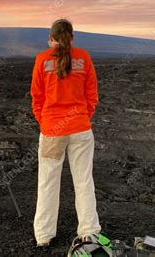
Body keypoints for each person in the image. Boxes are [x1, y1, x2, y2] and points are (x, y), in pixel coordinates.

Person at [30, 19, 101, 247]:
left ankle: (44, 235)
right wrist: (83, 116)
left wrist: (46, 122)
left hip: (52, 131)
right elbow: (92, 94)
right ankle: (89, 232)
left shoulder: (42, 60)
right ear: (72, 37)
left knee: (48, 182)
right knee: (83, 181)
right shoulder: (84, 57)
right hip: (80, 129)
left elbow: (37, 96)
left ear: (51, 38)